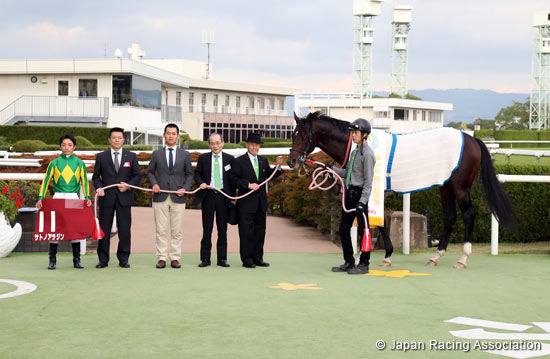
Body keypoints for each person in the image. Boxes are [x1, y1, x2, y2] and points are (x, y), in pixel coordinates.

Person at [36, 134, 91, 270]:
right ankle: (52, 260)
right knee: (55, 229)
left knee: (75, 229)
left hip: (73, 198)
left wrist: (87, 197)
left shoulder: (79, 163)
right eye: (64, 145)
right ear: (60, 146)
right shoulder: (54, 163)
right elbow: (46, 180)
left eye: (70, 145)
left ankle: (76, 260)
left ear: (74, 147)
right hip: (58, 198)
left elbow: (84, 181)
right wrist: (40, 197)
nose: (67, 147)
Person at [329, 118, 376, 275]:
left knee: (364, 231)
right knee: (343, 230)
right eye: (352, 132)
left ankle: (364, 264)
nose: (353, 135)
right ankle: (349, 261)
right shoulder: (354, 152)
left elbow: (369, 183)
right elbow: (346, 173)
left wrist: (363, 202)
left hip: (360, 196)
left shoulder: (368, 154)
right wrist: (331, 169)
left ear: (364, 135)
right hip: (349, 194)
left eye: (355, 133)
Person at [230, 133, 283, 268]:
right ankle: (247, 259)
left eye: (257, 145)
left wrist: (278, 167)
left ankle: (258, 258)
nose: (254, 147)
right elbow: (234, 180)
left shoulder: (263, 161)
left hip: (261, 203)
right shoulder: (238, 161)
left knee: (260, 231)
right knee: (246, 232)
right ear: (247, 145)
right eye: (252, 144)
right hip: (246, 204)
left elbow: (269, 176)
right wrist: (248, 185)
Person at [92, 127, 141, 269]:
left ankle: (124, 258)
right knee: (104, 230)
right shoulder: (101, 157)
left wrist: (129, 186)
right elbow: (96, 177)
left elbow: (137, 175)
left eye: (120, 137)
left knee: (124, 229)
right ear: (109, 139)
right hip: (106, 198)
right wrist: (99, 187)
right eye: (114, 137)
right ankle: (103, 259)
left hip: (124, 198)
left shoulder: (131, 156)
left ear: (124, 140)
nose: (117, 140)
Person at [147, 123, 193, 269]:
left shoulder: (185, 155)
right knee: (161, 229)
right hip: (160, 196)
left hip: (178, 197)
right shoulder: (156, 154)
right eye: (168, 133)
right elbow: (149, 172)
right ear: (164, 135)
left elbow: (189, 174)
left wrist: (185, 188)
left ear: (178, 136)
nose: (171, 136)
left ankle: (175, 257)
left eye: (174, 133)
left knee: (176, 230)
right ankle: (161, 257)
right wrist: (154, 184)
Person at [192, 133, 235, 268]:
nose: (215, 146)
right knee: (207, 229)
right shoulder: (203, 158)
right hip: (208, 196)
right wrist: (201, 183)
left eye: (218, 143)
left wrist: (232, 197)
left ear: (223, 143)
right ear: (209, 144)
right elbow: (197, 173)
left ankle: (222, 259)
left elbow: (233, 179)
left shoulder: (230, 159)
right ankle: (205, 259)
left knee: (222, 229)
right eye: (212, 143)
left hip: (223, 197)